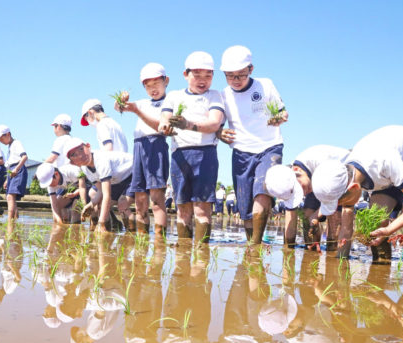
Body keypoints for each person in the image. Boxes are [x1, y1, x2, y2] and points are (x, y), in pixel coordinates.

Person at [312, 125, 403, 264]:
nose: (343, 207)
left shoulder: (382, 161)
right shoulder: (345, 174)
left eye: (342, 203)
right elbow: (348, 225)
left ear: (354, 187)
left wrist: (390, 229)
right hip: (390, 168)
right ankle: (381, 271)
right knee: (375, 223)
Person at [218, 45, 288, 245]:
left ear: (251, 69)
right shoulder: (223, 95)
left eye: (240, 75)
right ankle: (250, 243)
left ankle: (256, 245)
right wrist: (219, 133)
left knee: (262, 191)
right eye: (230, 76)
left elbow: (283, 112)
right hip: (241, 151)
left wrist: (279, 118)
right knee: (244, 203)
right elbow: (218, 125)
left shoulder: (265, 85)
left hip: (269, 147)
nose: (236, 81)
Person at [158, 51, 225, 243]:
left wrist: (188, 125)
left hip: (205, 155)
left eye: (208, 75)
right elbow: (164, 119)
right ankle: (184, 256)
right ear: (186, 74)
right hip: (180, 155)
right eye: (197, 75)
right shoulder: (174, 96)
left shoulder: (215, 96)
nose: (202, 80)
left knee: (202, 210)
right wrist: (164, 127)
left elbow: (214, 123)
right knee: (182, 208)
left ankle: (201, 258)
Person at [265, 145, 352, 255]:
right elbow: (290, 214)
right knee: (307, 215)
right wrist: (288, 248)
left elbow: (333, 199)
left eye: (302, 189)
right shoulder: (290, 181)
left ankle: (332, 252)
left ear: (297, 171)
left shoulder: (321, 162)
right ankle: (312, 252)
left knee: (334, 219)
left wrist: (316, 215)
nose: (304, 194)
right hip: (317, 179)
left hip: (341, 179)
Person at [116, 62, 170, 237]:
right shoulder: (142, 102)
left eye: (157, 84)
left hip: (156, 146)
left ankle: (160, 239)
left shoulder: (170, 102)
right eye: (148, 86)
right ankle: (142, 238)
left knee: (156, 198)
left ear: (166, 81)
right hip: (138, 147)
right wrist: (121, 101)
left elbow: (162, 128)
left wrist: (137, 111)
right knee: (140, 199)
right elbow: (119, 108)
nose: (153, 89)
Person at [66, 138, 134, 232]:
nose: (80, 156)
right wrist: (91, 204)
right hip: (117, 179)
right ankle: (111, 228)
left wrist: (101, 223)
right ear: (73, 162)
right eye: (74, 155)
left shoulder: (100, 160)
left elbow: (107, 195)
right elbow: (101, 190)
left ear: (88, 147)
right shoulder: (85, 168)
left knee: (122, 204)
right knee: (98, 201)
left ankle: (131, 236)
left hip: (133, 172)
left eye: (81, 149)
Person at [0, 125, 28, 219]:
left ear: (8, 134)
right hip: (12, 171)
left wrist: (16, 169)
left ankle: (10, 221)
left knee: (10, 197)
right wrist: (7, 179)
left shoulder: (16, 143)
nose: (1, 141)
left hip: (18, 169)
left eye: (1, 138)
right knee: (10, 198)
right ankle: (14, 220)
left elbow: (24, 157)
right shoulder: (10, 146)